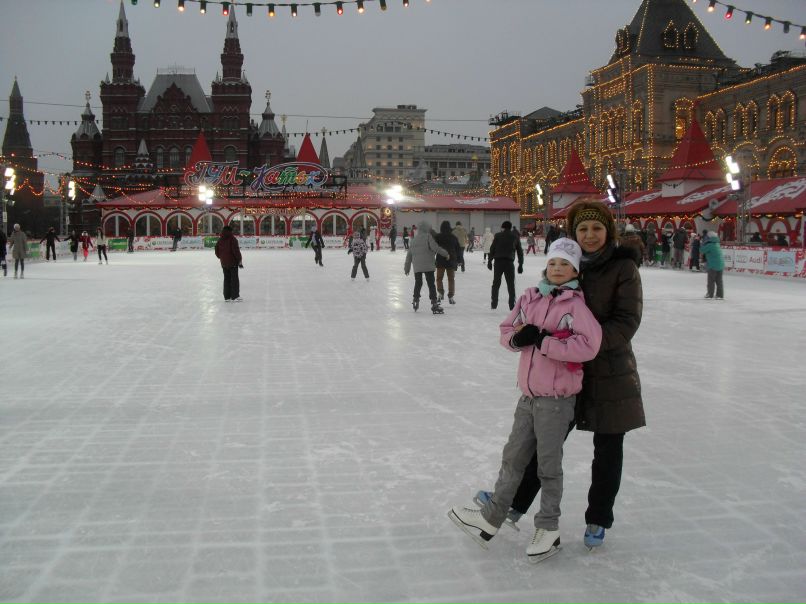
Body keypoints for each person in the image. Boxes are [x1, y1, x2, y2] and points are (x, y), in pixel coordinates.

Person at [473, 200, 645, 550]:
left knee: (608, 447)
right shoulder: (567, 264)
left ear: (608, 231)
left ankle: (598, 517)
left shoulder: (623, 268)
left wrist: (587, 345)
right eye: (583, 229)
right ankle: (517, 504)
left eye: (596, 229)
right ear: (574, 234)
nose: (590, 235)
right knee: (544, 441)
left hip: (609, 371)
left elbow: (627, 320)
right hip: (562, 369)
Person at [449, 238, 602, 562]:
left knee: (548, 467)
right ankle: (491, 517)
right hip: (529, 397)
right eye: (553, 263)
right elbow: (507, 329)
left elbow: (589, 346)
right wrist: (518, 338)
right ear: (546, 265)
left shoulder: (576, 306)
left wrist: (546, 342)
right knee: (513, 459)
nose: (558, 269)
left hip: (556, 402)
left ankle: (549, 528)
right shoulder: (530, 297)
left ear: (575, 270)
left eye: (565, 265)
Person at [404, 220, 449, 314]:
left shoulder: (414, 240)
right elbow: (435, 248)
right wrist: (446, 254)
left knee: (418, 283)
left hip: (417, 266)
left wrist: (407, 267)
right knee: (431, 284)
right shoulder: (428, 237)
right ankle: (434, 303)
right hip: (428, 264)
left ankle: (415, 299)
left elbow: (409, 256)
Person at [488, 221, 524, 311]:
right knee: (511, 284)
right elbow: (520, 252)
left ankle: (494, 303)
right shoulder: (515, 237)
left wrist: (489, 261)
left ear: (503, 227)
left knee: (496, 283)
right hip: (509, 262)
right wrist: (520, 264)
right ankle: (511, 304)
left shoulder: (498, 236)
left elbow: (492, 249)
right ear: (511, 228)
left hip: (498, 262)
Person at [435, 220, 461, 305]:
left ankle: (440, 293)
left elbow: (434, 248)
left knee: (439, 278)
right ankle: (451, 296)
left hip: (440, 260)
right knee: (451, 279)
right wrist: (460, 260)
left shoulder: (437, 237)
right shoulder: (454, 237)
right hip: (451, 261)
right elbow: (458, 250)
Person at [214, 225, 243, 302]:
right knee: (234, 279)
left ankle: (227, 297)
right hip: (233, 262)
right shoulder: (232, 239)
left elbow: (216, 250)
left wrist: (221, 257)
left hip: (224, 263)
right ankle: (235, 296)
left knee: (226, 279)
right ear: (230, 231)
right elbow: (236, 251)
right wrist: (239, 260)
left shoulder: (220, 239)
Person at [701, 231, 724, 300]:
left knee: (711, 281)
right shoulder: (717, 244)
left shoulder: (710, 245)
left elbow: (702, 250)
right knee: (719, 281)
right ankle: (720, 295)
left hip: (713, 265)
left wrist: (703, 243)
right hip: (720, 265)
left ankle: (710, 294)